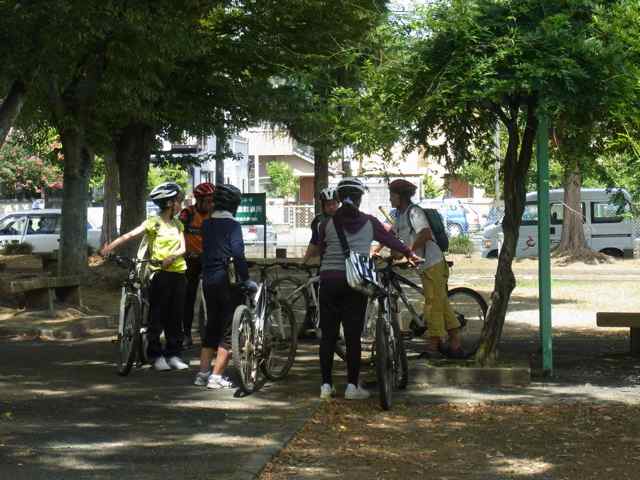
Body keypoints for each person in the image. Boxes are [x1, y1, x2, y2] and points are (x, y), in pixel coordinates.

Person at [317, 178, 421, 400]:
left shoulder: (325, 224)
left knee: (328, 336)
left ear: (339, 198)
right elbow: (392, 241)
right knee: (353, 336)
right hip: (356, 283)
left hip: (328, 281)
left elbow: (322, 250)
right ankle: (351, 387)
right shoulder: (369, 222)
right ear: (359, 199)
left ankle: (325, 386)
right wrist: (410, 254)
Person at [101, 182, 189, 371]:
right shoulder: (153, 222)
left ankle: (173, 354)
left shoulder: (177, 224)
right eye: (178, 201)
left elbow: (183, 247)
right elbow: (129, 235)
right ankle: (156, 355)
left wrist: (172, 256)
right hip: (159, 274)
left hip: (179, 273)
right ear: (169, 203)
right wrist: (109, 248)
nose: (180, 204)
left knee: (176, 316)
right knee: (157, 316)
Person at [387, 179, 464, 359]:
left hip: (433, 263)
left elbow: (425, 234)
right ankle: (455, 344)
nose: (390, 199)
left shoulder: (414, 212)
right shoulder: (401, 215)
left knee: (433, 305)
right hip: (425, 266)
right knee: (441, 304)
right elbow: (391, 235)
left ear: (399, 196)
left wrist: (408, 251)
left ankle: (433, 347)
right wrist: (379, 251)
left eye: (392, 195)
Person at [194, 184, 256, 389]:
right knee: (230, 329)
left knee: (212, 325)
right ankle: (216, 377)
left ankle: (202, 374)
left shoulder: (206, 225)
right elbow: (238, 254)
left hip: (208, 280)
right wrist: (245, 280)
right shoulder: (233, 225)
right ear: (234, 205)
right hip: (227, 282)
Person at [178, 182, 215, 348]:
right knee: (188, 297)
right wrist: (184, 252)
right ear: (198, 200)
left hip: (208, 260)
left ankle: (213, 333)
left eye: (212, 200)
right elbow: (177, 233)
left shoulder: (214, 215)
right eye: (208, 201)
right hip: (190, 260)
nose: (210, 204)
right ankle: (186, 333)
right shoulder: (187, 214)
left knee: (213, 295)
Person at [302, 187, 339, 264]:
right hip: (325, 261)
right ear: (323, 206)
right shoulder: (318, 221)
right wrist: (304, 262)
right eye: (328, 205)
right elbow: (313, 242)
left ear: (338, 203)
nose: (331, 207)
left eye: (334, 203)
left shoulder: (345, 218)